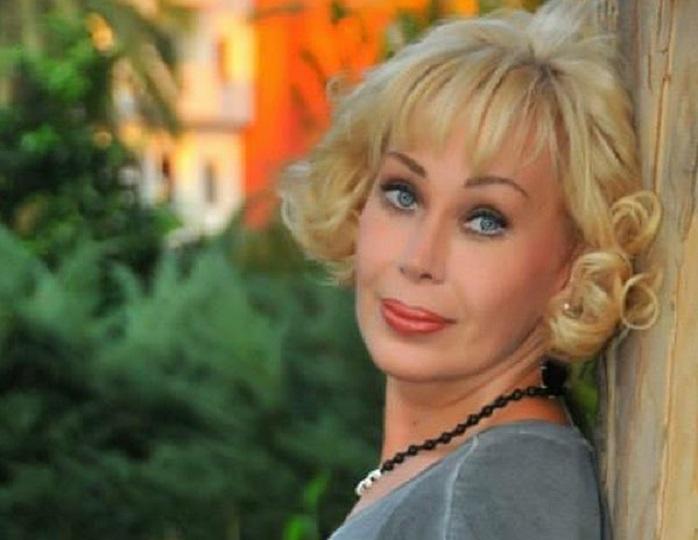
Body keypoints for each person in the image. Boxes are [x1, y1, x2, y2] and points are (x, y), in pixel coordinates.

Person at [279, 0, 662, 538]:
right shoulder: (459, 474)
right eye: (403, 194)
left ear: (575, 265)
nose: (418, 260)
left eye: (485, 220)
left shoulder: (494, 496)